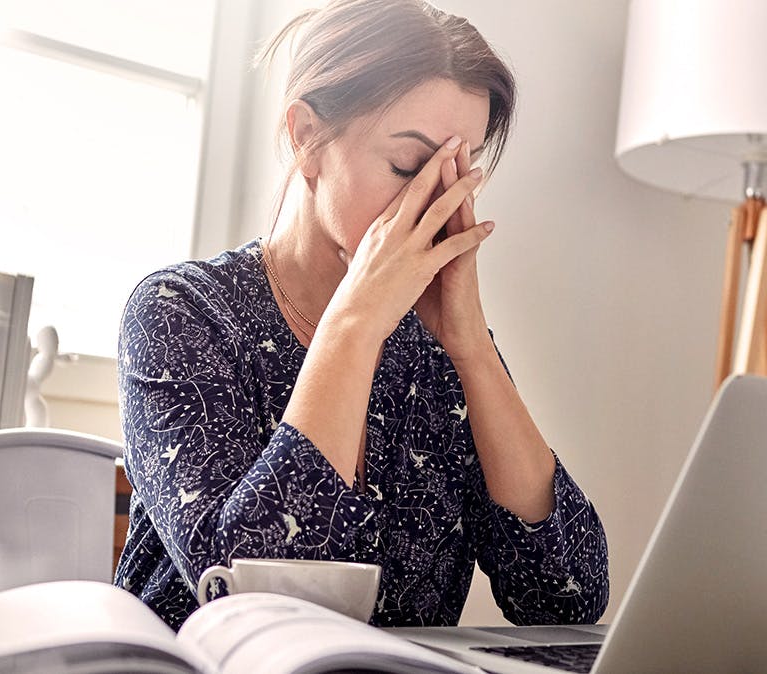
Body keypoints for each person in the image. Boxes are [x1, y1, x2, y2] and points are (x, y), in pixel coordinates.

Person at [112, 0, 609, 631]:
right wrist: (353, 325)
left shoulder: (439, 351)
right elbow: (253, 594)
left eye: (459, 173)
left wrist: (472, 347)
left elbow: (568, 598)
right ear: (306, 139)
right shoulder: (181, 316)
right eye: (408, 165)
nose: (433, 200)